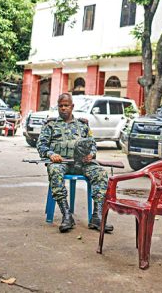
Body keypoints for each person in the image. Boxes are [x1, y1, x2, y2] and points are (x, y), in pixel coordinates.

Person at [37, 93, 113, 233]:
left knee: (101, 173)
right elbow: (41, 145)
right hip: (61, 163)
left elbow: (92, 144)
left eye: (66, 106)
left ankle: (97, 216)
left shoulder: (82, 125)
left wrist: (91, 154)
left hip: (81, 163)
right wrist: (51, 154)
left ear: (72, 107)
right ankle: (67, 215)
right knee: (54, 171)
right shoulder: (51, 125)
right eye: (60, 106)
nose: (63, 108)